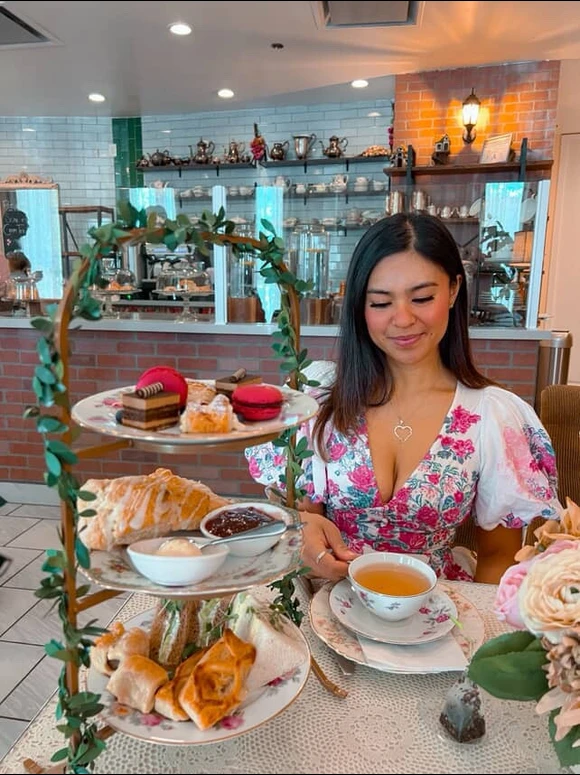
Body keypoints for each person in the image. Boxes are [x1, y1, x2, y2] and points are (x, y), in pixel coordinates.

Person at [245, 213, 562, 584]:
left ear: (454, 290)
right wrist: (304, 530)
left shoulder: (493, 415)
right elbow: (301, 517)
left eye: (423, 297)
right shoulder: (320, 397)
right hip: (328, 603)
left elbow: (498, 556)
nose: (403, 319)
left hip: (437, 617)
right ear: (360, 307)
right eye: (380, 303)